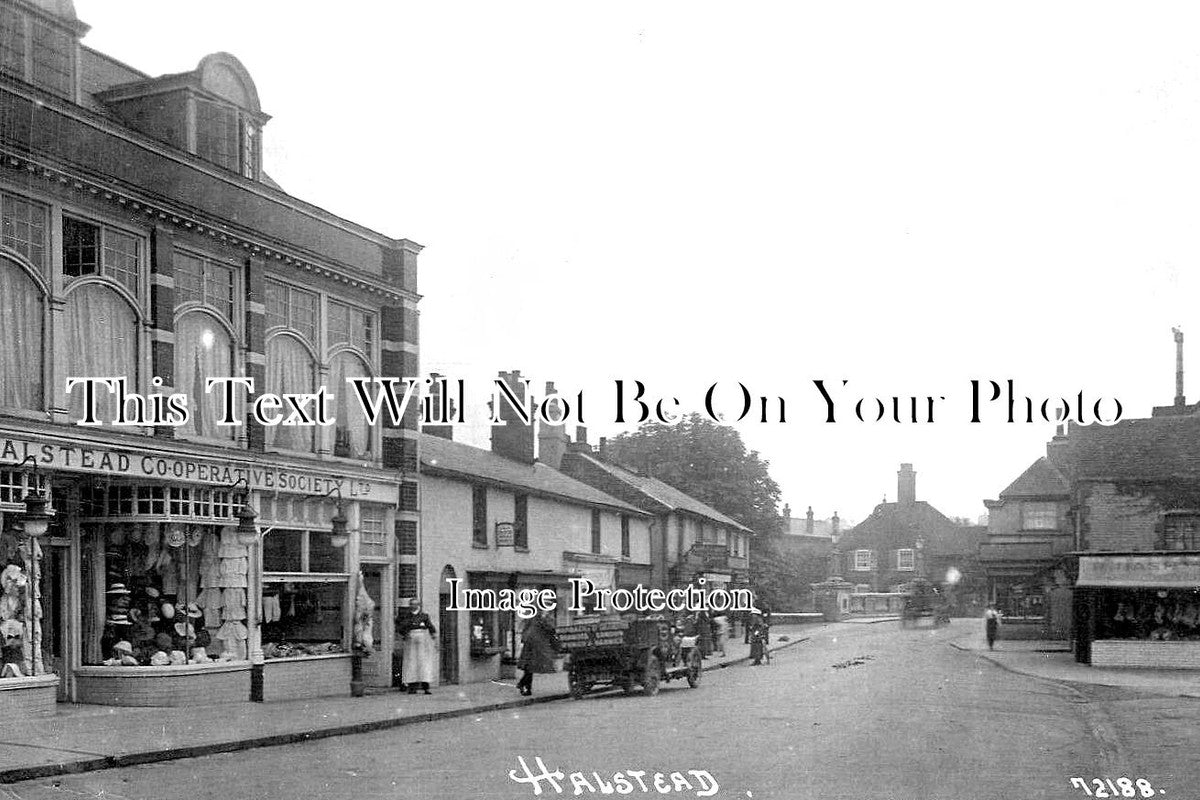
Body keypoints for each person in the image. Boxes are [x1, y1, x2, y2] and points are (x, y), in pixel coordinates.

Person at [397, 598, 437, 694]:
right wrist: (404, 634)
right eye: (411, 604)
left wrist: (434, 637)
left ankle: (425, 687)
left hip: (423, 642)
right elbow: (400, 626)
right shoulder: (406, 616)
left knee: (423, 663)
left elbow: (431, 627)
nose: (413, 606)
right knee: (411, 663)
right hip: (410, 642)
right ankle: (412, 687)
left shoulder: (424, 616)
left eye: (415, 604)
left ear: (418, 605)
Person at [516, 607, 559, 696]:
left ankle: (525, 687)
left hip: (533, 647)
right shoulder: (539, 619)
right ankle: (524, 686)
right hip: (533, 647)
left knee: (529, 669)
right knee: (529, 669)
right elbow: (550, 629)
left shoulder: (535, 619)